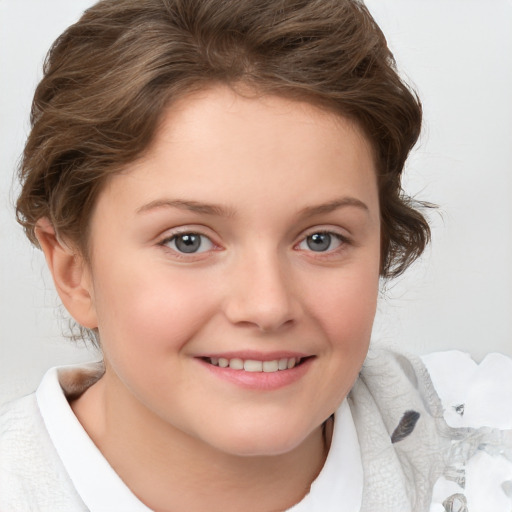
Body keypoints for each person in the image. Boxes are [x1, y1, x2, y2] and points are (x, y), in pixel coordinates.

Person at [1, 0, 511, 511]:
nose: (267, 307)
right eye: (188, 241)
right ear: (74, 273)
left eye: (321, 239)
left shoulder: (492, 448)